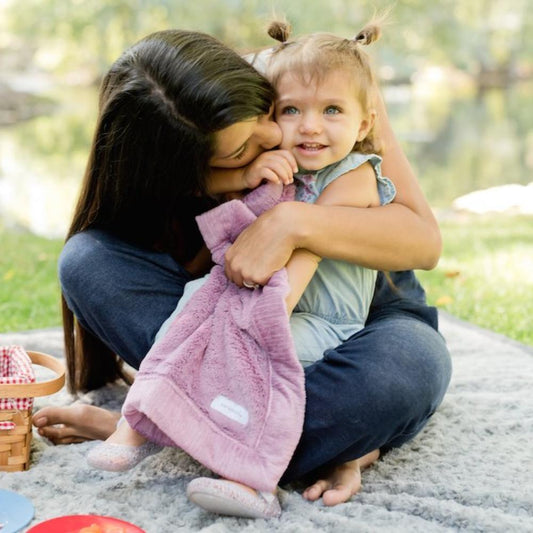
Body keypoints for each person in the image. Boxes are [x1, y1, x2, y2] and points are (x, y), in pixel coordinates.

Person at [32, 24, 451, 517]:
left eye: (264, 114)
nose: (283, 133)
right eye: (236, 152)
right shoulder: (174, 160)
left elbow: (424, 242)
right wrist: (229, 185)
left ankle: (169, 423)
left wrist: (297, 223)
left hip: (364, 312)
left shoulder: (317, 77)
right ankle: (274, 438)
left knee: (405, 369)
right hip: (228, 301)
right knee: (87, 261)